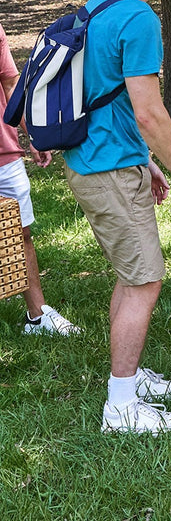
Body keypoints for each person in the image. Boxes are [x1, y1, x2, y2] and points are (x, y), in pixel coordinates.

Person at [62, 0, 171, 433]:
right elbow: (149, 110)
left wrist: (146, 161)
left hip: (100, 157)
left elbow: (107, 97)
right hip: (108, 167)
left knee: (132, 275)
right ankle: (121, 406)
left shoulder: (99, 4)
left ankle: (131, 376)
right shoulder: (140, 17)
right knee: (145, 279)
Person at [0, 19, 81, 336]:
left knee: (20, 234)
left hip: (4, 154)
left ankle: (37, 316)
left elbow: (10, 83)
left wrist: (31, 134)